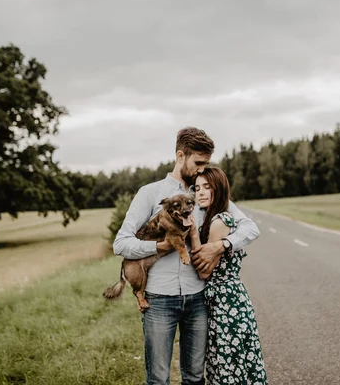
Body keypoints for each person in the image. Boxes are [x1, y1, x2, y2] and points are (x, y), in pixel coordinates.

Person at [113, 127, 260, 385]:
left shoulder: (203, 193)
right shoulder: (149, 193)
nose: (202, 169)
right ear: (181, 156)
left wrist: (222, 244)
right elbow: (121, 244)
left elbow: (249, 227)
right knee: (158, 379)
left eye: (207, 163)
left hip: (198, 300)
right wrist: (159, 248)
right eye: (198, 163)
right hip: (159, 301)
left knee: (194, 377)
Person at [190, 167, 268, 385]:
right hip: (227, 300)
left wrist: (193, 235)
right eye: (197, 188)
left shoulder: (219, 222)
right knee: (231, 364)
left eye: (207, 187)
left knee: (228, 366)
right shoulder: (214, 217)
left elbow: (205, 271)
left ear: (219, 189)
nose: (201, 193)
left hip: (226, 304)